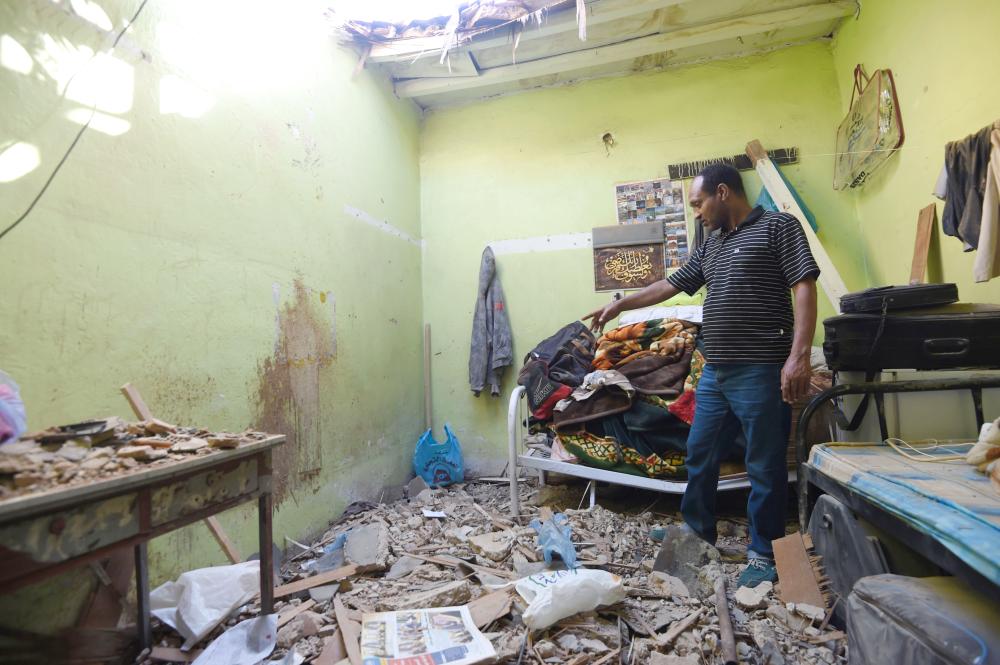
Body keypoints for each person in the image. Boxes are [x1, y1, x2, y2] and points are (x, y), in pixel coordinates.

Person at [584, 164, 819, 588]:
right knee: (700, 451)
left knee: (763, 464)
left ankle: (764, 551)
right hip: (716, 371)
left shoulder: (778, 227)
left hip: (761, 369)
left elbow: (804, 284)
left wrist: (798, 356)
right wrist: (621, 305)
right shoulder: (712, 245)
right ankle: (698, 530)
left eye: (698, 203)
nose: (697, 212)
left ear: (723, 193)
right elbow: (671, 284)